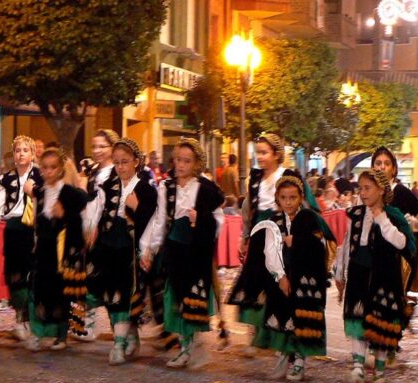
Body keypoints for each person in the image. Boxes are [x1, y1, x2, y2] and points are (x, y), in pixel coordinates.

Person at [232, 171, 335, 381]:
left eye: (293, 197)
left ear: (301, 197)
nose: (288, 202)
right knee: (283, 317)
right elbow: (268, 251)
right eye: (284, 197)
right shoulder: (273, 221)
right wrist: (280, 277)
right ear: (277, 199)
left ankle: (299, 361)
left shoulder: (310, 219)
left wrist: (298, 241)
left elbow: (324, 245)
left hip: (305, 280)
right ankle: (284, 356)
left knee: (302, 320)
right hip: (282, 279)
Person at [140, 138, 224, 368]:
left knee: (192, 298)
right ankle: (185, 345)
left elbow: (218, 219)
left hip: (196, 251)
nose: (181, 165)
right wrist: (148, 248)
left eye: (187, 161)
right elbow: (159, 220)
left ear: (196, 163)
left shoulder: (205, 189)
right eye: (178, 160)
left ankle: (190, 345)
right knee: (174, 297)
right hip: (174, 248)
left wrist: (201, 219)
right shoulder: (167, 187)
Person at [335, 169, 415, 383]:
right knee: (356, 316)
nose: (362, 193)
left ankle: (379, 370)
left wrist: (382, 220)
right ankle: (358, 366)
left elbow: (402, 243)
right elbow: (347, 243)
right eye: (360, 188)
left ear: (381, 190)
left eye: (367, 188)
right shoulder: (356, 214)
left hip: (384, 276)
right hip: (358, 272)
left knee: (381, 321)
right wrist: (339, 271)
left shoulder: (393, 215)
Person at [84, 138, 157, 364]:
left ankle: (119, 343)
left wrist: (137, 209)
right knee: (109, 293)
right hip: (108, 244)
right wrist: (93, 227)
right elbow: (98, 208)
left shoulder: (146, 189)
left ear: (136, 161)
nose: (121, 167)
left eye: (125, 162)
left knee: (125, 293)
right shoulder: (108, 186)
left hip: (130, 246)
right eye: (116, 162)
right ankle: (127, 336)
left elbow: (153, 221)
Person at [23, 148, 88, 351]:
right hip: (44, 249)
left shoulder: (69, 192)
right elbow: (36, 220)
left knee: (61, 292)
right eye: (45, 167)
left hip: (62, 251)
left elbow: (83, 207)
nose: (48, 171)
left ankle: (61, 336)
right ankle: (37, 333)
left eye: (53, 167)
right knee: (39, 290)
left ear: (60, 169)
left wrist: (65, 213)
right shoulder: (41, 192)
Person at [0, 135, 44, 342]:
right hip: (14, 228)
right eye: (18, 150)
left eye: (25, 150)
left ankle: (34, 319)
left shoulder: (42, 176)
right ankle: (20, 319)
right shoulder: (5, 179)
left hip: (37, 229)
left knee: (35, 275)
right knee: (15, 275)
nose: (21, 154)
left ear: (32, 154)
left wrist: (34, 193)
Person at [230, 133, 286, 356]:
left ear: (276, 154)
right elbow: (248, 210)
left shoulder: (286, 176)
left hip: (279, 234)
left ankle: (276, 337)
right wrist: (244, 237)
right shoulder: (254, 179)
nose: (260, 157)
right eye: (258, 153)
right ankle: (255, 337)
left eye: (264, 153)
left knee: (276, 284)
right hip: (258, 233)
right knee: (254, 283)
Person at [77, 129, 120, 341]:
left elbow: (109, 204)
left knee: (110, 281)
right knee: (89, 279)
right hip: (88, 229)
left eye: (102, 146)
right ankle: (88, 325)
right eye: (94, 146)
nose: (97, 150)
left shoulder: (116, 172)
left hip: (107, 232)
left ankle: (119, 328)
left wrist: (98, 227)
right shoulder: (92, 171)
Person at [372, 147, 418, 295]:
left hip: (397, 260)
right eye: (378, 163)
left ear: (394, 169)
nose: (382, 167)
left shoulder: (402, 192)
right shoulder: (367, 192)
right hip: (373, 258)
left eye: (387, 163)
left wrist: (409, 222)